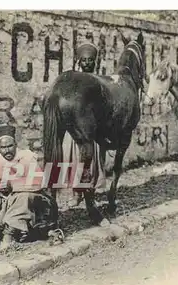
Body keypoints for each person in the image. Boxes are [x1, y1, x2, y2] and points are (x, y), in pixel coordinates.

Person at [0, 124, 62, 250]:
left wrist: (12, 185)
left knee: (24, 197)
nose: (7, 150)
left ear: (16, 144)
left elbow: (39, 183)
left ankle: (9, 233)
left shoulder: (27, 157)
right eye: (3, 147)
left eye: (10, 146)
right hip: (7, 204)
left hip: (33, 205)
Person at [62, 42, 107, 207]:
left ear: (95, 62)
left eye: (90, 60)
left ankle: (90, 195)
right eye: (84, 60)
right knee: (76, 162)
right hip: (75, 129)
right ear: (79, 61)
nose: (87, 63)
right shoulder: (72, 80)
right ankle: (76, 194)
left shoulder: (100, 81)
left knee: (92, 163)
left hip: (93, 130)